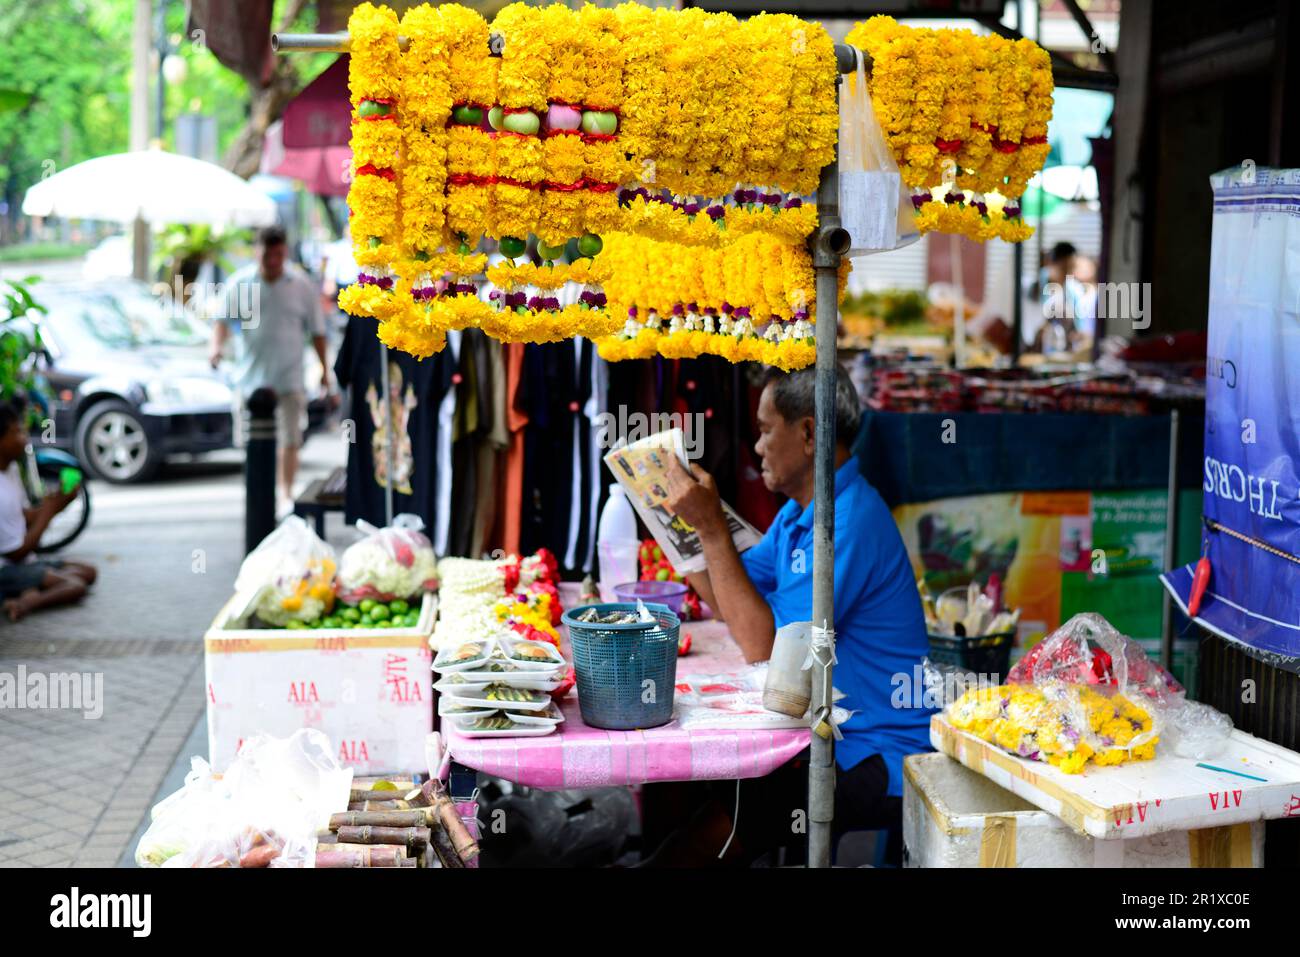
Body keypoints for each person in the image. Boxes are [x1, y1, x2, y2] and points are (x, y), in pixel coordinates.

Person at [659, 364, 932, 865]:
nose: (757, 447)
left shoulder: (848, 522)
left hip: (879, 751)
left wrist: (713, 529)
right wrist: (681, 523)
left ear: (808, 433)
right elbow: (733, 599)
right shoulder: (800, 514)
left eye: (765, 431)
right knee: (719, 799)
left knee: (740, 814)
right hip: (833, 732)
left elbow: (763, 646)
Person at [209, 226, 332, 512]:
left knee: (290, 439)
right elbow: (221, 322)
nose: (273, 260)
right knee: (251, 442)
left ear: (284, 252)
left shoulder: (301, 286)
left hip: (289, 379)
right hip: (249, 381)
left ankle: (285, 494)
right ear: (257, 252)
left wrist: (326, 372)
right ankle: (256, 493)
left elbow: (317, 332)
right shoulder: (240, 284)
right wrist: (215, 349)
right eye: (267, 254)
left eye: (278, 254)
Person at [0, 403, 97, 622]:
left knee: (89, 571)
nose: (24, 438)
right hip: (6, 569)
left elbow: (25, 516)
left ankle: (27, 590)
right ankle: (25, 602)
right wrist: (49, 512)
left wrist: (57, 503)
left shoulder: (12, 470)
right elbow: (16, 553)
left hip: (25, 562)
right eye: (17, 432)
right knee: (75, 585)